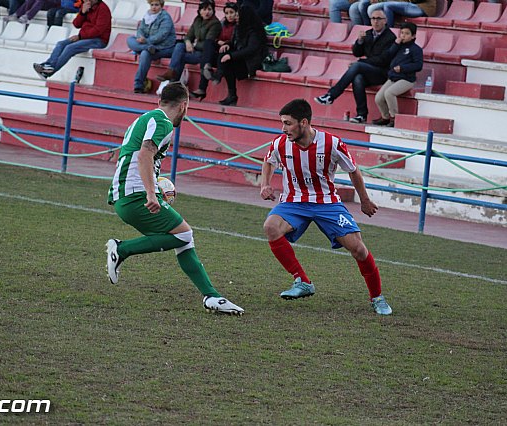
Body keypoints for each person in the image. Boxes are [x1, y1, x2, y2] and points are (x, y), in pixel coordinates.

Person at [106, 82, 245, 316]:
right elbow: (144, 155)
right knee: (183, 234)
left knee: (183, 238)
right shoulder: (162, 122)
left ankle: (212, 296)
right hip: (135, 195)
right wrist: (151, 193)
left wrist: (157, 185)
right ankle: (121, 249)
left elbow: (136, 156)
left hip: (127, 193)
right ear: (184, 105)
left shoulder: (147, 118)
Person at [260, 98, 392, 316]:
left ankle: (377, 297)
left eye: (288, 123)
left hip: (327, 203)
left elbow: (353, 171)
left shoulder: (331, 143)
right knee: (271, 227)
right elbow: (268, 161)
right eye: (282, 123)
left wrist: (365, 200)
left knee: (358, 249)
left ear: (304, 122)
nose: (283, 129)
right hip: (294, 201)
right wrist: (265, 184)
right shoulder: (280, 143)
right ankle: (302, 281)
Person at [313, 9, 395, 124]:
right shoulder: (368, 34)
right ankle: (362, 115)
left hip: (383, 72)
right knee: (357, 79)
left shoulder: (390, 37)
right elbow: (356, 53)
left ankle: (331, 95)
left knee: (357, 66)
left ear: (385, 21)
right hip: (369, 70)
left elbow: (383, 60)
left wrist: (362, 62)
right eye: (373, 19)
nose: (375, 21)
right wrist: (360, 41)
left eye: (379, 19)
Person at [207, 4, 268, 106]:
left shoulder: (254, 31)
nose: (236, 18)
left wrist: (231, 56)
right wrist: (227, 45)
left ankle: (221, 79)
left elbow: (250, 49)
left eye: (238, 16)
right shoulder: (239, 28)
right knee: (223, 53)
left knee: (227, 60)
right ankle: (230, 92)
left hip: (250, 63)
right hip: (241, 58)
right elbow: (234, 42)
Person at [33, 0, 111, 79]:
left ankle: (49, 71)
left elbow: (98, 30)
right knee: (61, 44)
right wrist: (82, 13)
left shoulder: (103, 9)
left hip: (99, 40)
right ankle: (48, 66)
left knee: (70, 48)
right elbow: (76, 24)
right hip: (84, 37)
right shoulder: (86, 6)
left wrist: (80, 37)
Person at [155, 0, 221, 84]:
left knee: (180, 57)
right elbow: (188, 35)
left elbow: (208, 43)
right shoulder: (197, 20)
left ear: (213, 11)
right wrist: (188, 42)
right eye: (204, 9)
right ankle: (171, 73)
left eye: (209, 9)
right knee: (179, 46)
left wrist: (194, 46)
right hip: (195, 50)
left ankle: (173, 81)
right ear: (200, 11)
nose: (207, 12)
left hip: (204, 54)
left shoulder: (215, 24)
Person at [373, 22, 423, 127]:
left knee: (389, 93)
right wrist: (395, 44)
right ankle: (385, 117)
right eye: (402, 33)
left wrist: (403, 68)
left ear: (413, 36)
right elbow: (388, 55)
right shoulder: (398, 46)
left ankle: (394, 117)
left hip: (407, 79)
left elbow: (418, 65)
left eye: (407, 33)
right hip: (393, 77)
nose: (403, 36)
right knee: (378, 98)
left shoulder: (416, 49)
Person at [191, 1, 238, 100]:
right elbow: (215, 39)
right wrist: (219, 42)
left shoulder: (239, 26)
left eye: (231, 12)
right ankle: (202, 85)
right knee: (208, 46)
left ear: (236, 13)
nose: (229, 16)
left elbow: (237, 42)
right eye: (227, 13)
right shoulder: (222, 24)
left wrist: (226, 44)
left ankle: (214, 78)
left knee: (221, 52)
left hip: (232, 54)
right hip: (220, 51)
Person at [127, 0, 176, 93]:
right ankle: (146, 48)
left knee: (145, 54)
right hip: (149, 45)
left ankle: (138, 85)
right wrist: (140, 37)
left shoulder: (165, 17)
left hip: (163, 47)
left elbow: (162, 35)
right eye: (152, 5)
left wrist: (146, 41)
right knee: (130, 39)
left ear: (161, 6)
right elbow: (140, 30)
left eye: (156, 5)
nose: (154, 7)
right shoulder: (147, 16)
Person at [366, 0, 436, 28]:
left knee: (388, 6)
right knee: (386, 5)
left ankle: (388, 32)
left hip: (423, 8)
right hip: (413, 5)